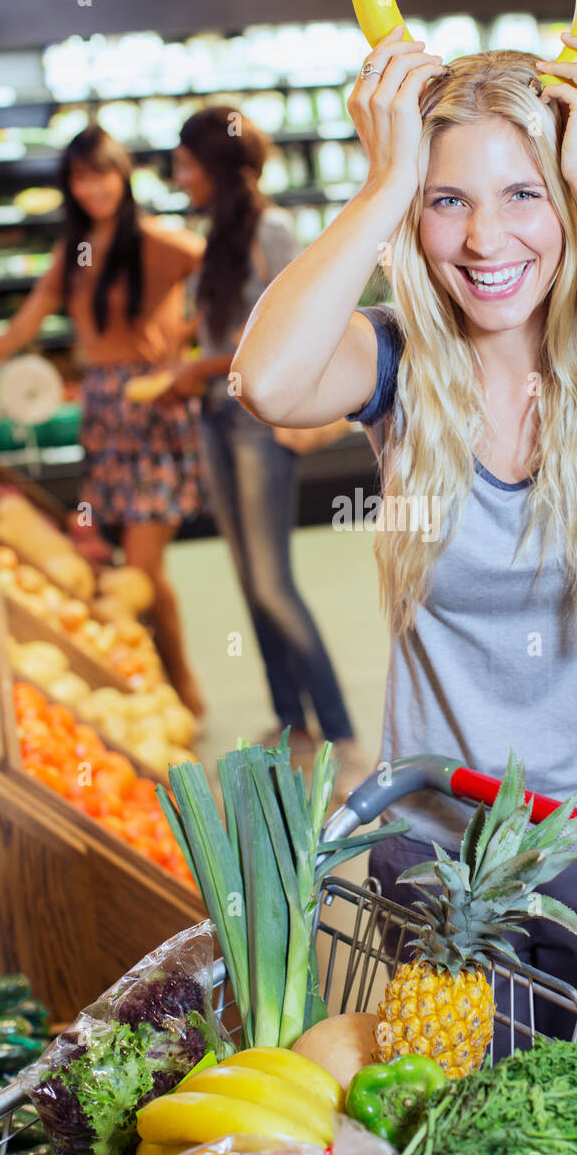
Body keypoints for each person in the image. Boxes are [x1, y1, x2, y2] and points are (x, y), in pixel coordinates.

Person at [230, 22, 577, 1077]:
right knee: (453, 1126)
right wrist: (383, 184)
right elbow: (269, 383)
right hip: (434, 847)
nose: (483, 239)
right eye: (447, 199)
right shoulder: (395, 362)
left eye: (523, 195)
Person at [0, 124, 207, 717]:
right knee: (134, 572)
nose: (92, 187)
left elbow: (234, 282)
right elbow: (23, 328)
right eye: (79, 177)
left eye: (100, 172)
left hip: (152, 412)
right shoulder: (72, 254)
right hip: (102, 416)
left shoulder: (158, 241)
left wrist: (188, 354)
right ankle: (171, 688)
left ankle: (177, 693)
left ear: (121, 174)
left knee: (142, 571)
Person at [168, 106, 367, 775]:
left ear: (217, 167)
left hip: (258, 424)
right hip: (216, 420)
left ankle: (338, 729)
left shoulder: (272, 229)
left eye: (187, 163)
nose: (178, 175)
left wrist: (207, 364)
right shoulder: (217, 232)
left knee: (274, 582)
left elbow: (313, 317)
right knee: (248, 581)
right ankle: (292, 720)